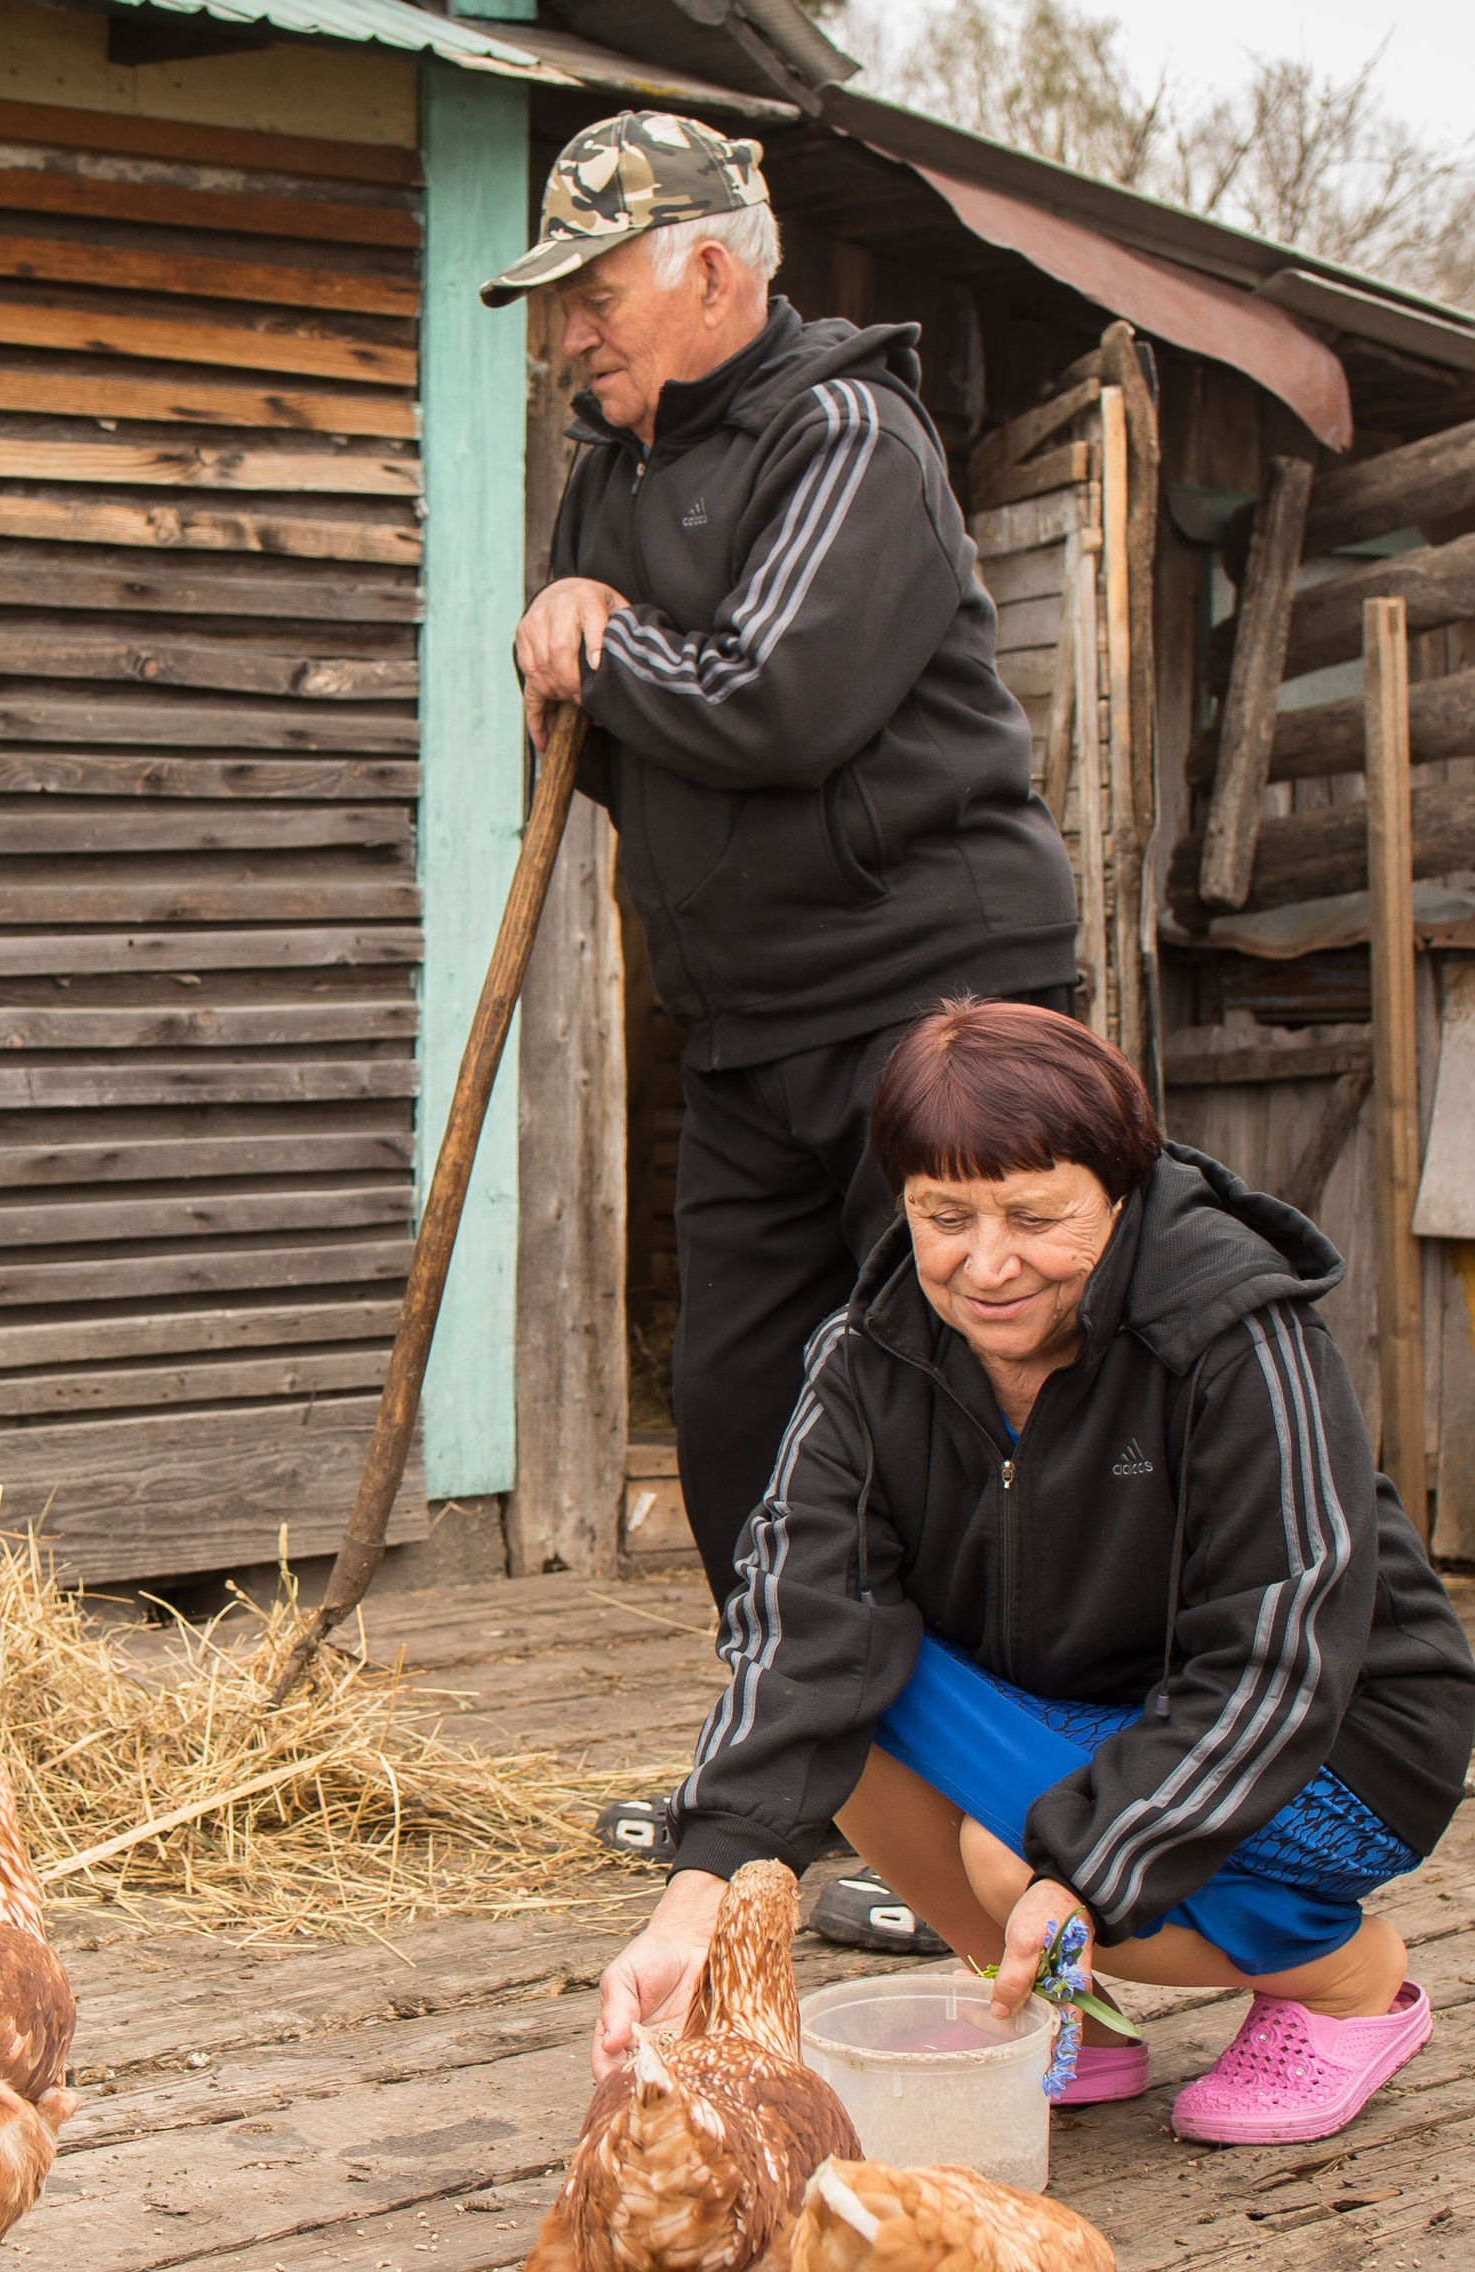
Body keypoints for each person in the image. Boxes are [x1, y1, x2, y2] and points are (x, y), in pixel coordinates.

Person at [592, 1001, 1475, 2145]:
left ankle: (1349, 1977)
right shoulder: (870, 1357)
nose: (986, 1263)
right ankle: (1074, 2011)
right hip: (1090, 1709)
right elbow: (799, 1624)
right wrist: (698, 1892)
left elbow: (1284, 1648)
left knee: (1013, 1857)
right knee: (846, 1701)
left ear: (1120, 1187)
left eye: (1036, 1215)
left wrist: (1086, 1871)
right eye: (943, 1215)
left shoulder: (1232, 1332)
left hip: (1341, 1733)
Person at [485, 112, 1080, 1602]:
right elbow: (617, 745)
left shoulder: (847, 434)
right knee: (739, 1413)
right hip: (750, 1023)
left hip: (931, 1004)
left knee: (964, 1399)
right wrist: (566, 664)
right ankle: (774, 1786)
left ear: (706, 270)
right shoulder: (610, 472)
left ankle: (985, 1805)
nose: (569, 336)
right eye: (559, 305)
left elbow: (773, 704)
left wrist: (602, 637)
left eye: (593, 296)